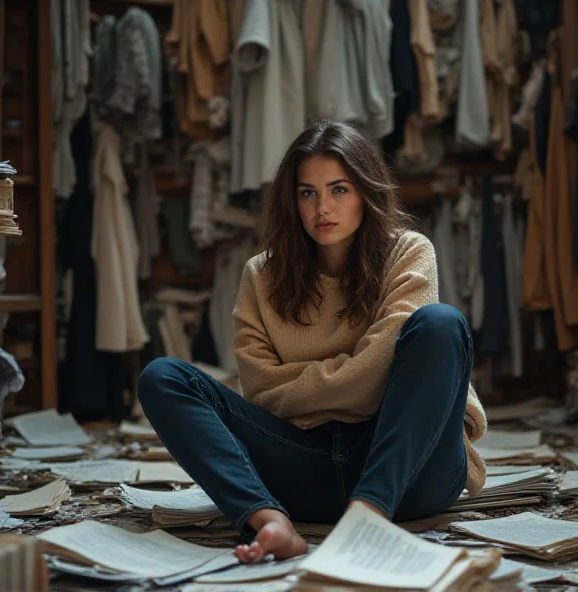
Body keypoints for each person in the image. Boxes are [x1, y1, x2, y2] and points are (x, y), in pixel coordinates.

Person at [139, 120, 488, 563]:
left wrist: (306, 384)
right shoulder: (260, 276)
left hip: (406, 472)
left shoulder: (409, 252)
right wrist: (366, 373)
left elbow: (287, 391)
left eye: (339, 189)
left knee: (441, 325)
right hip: (301, 467)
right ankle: (271, 523)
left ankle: (368, 517)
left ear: (365, 191)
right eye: (307, 192)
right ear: (292, 201)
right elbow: (263, 392)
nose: (323, 207)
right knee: (162, 376)